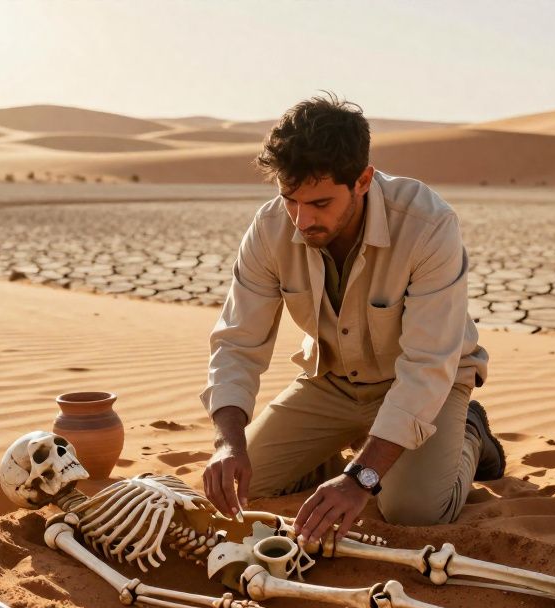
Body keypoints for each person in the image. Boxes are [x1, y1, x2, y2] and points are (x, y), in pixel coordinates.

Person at [200, 93, 504, 546]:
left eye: (320, 203)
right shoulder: (268, 229)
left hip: (427, 386)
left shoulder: (427, 224)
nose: (302, 220)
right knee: (246, 485)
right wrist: (228, 442)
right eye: (290, 199)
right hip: (331, 381)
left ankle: (470, 433)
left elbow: (426, 368)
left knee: (412, 511)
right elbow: (237, 343)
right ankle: (345, 453)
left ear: (362, 180)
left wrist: (360, 479)